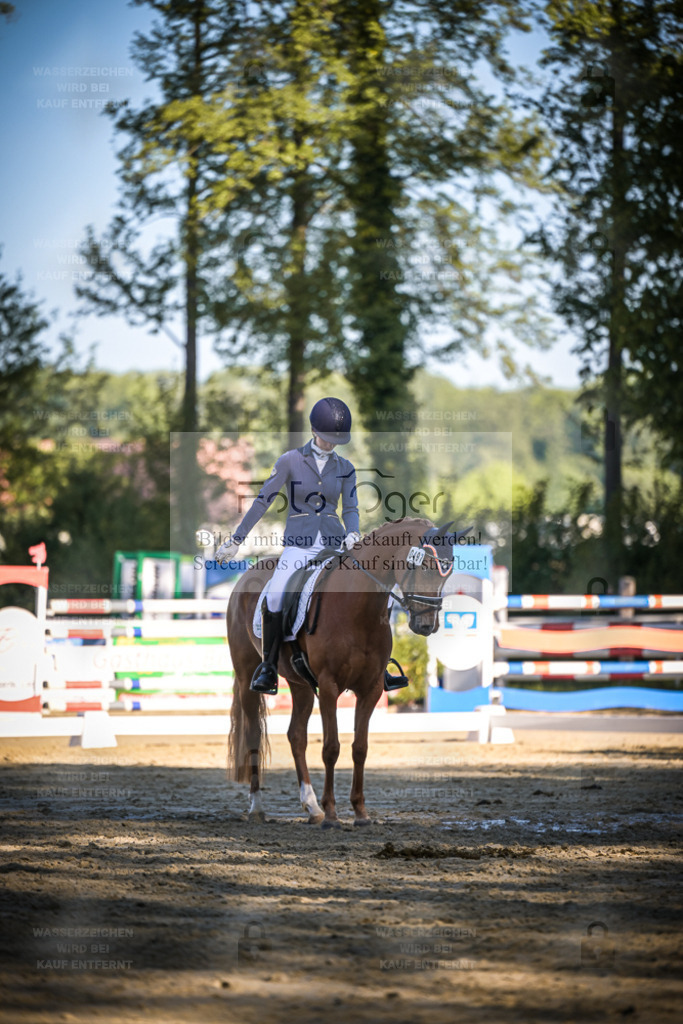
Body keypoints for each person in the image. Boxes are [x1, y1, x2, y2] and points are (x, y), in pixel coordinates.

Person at [215, 397, 361, 695]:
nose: (332, 445)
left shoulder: (346, 467)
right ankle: (268, 666)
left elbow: (350, 508)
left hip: (334, 542)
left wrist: (354, 533)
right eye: (327, 438)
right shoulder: (290, 460)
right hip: (300, 543)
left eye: (337, 440)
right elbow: (262, 502)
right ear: (313, 430)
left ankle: (377, 664)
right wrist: (236, 540)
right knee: (278, 592)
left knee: (363, 588)